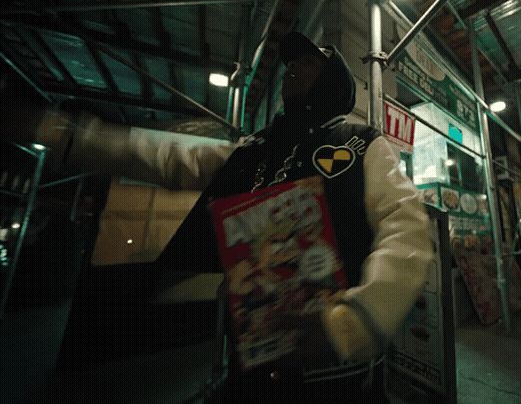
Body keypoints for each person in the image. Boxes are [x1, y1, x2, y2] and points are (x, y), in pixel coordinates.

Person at [5, 32, 432, 400]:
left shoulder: (361, 144)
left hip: (336, 376)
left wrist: (354, 323)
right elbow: (168, 157)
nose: (292, 70)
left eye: (306, 63)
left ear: (334, 79)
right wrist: (62, 133)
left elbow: (406, 226)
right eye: (290, 63)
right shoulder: (253, 150)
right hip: (249, 364)